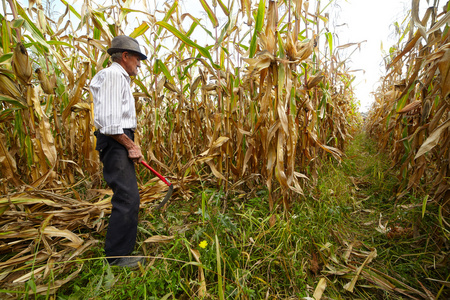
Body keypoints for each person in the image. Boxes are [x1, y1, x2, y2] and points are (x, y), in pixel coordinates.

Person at [90, 35, 147, 268]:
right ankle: (116, 258)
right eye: (137, 59)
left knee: (128, 195)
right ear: (125, 56)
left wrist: (131, 143)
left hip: (118, 141)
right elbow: (111, 124)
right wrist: (131, 145)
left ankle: (120, 249)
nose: (139, 64)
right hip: (116, 141)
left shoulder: (118, 77)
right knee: (127, 197)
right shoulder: (114, 76)